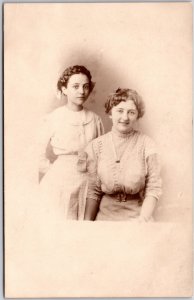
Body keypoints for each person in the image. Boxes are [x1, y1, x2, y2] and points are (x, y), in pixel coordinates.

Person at [84, 88, 162, 222]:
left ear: (138, 115)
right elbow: (94, 191)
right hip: (104, 219)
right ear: (110, 113)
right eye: (119, 111)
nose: (125, 117)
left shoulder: (147, 144)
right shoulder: (96, 146)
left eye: (131, 112)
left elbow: (153, 188)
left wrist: (143, 219)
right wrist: (86, 225)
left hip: (137, 218)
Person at [38, 65, 104, 220]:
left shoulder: (95, 119)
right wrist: (53, 172)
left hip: (88, 181)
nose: (81, 91)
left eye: (85, 87)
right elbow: (36, 153)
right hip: (59, 182)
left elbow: (101, 153)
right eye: (75, 86)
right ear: (64, 89)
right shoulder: (54, 118)